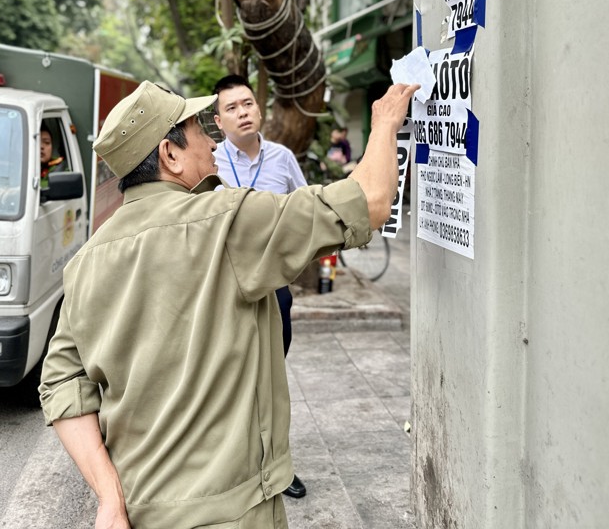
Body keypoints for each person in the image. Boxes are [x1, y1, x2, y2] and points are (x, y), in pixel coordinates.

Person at [39, 78, 418, 528]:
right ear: (170, 153)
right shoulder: (227, 223)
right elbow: (370, 201)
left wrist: (109, 498)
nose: (213, 140)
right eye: (200, 128)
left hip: (138, 509)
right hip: (232, 511)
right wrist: (385, 124)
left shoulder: (85, 263)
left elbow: (61, 385)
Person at [211, 74, 308, 499]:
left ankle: (277, 466)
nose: (242, 112)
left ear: (259, 108)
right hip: (224, 291)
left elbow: (306, 210)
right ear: (218, 120)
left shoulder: (283, 158)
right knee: (229, 379)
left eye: (247, 103)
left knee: (271, 380)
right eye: (231, 108)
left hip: (274, 289)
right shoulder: (211, 161)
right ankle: (233, 466)